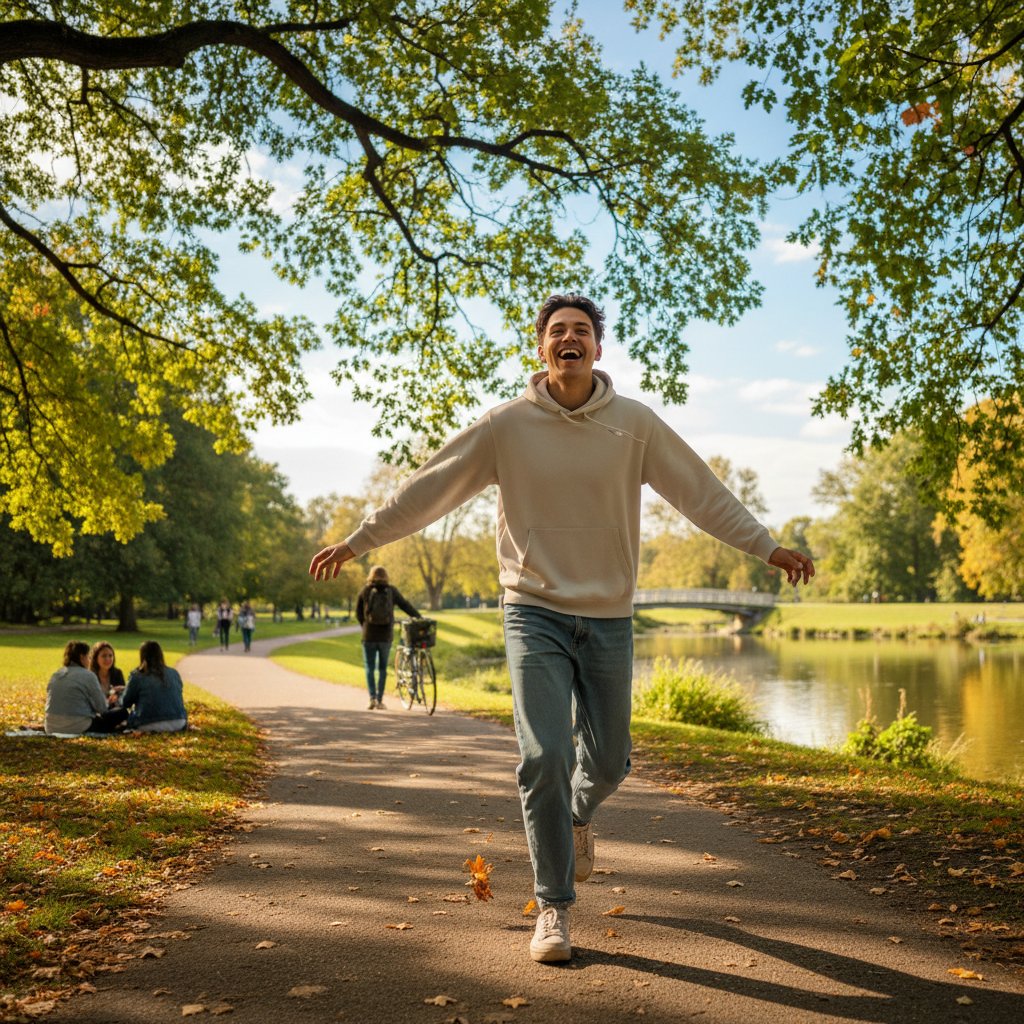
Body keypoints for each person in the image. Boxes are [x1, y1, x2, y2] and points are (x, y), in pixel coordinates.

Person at [309, 293, 815, 964]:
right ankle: (553, 906)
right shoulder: (505, 426)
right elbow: (427, 488)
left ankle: (576, 816)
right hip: (532, 609)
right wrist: (359, 540)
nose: (569, 338)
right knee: (542, 755)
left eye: (582, 330)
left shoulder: (636, 425)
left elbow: (701, 492)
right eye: (558, 331)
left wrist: (766, 546)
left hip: (609, 614)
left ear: (598, 350)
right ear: (541, 348)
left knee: (608, 761)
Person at [355, 566, 421, 710]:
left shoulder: (365, 591)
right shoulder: (391, 590)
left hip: (369, 635)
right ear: (386, 576)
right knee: (383, 668)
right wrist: (418, 617)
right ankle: (380, 700)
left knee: (370, 668)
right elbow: (405, 605)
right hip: (386, 635)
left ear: (370, 576)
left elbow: (358, 613)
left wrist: (365, 626)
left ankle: (371, 698)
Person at [44, 640, 129, 735]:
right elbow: (102, 709)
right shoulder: (89, 675)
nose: (89, 660)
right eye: (88, 657)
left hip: (50, 726)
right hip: (78, 726)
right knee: (122, 712)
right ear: (82, 657)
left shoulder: (56, 674)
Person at [121, 640, 188, 734]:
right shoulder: (174, 673)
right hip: (179, 721)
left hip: (147, 723)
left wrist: (119, 694)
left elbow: (125, 702)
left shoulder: (138, 676)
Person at [88, 641, 125, 705]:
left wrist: (121, 690)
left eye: (110, 656)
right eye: (104, 656)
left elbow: (123, 696)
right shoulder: (90, 676)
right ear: (95, 658)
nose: (107, 659)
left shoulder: (117, 673)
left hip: (114, 710)